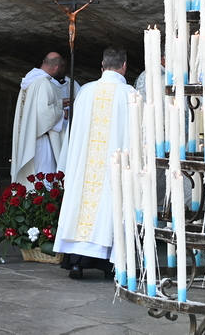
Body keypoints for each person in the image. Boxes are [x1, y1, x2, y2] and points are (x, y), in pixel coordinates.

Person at [53, 47, 133, 280]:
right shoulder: (128, 94)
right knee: (109, 209)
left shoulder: (86, 91)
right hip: (113, 166)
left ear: (102, 66)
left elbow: (74, 132)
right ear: (124, 66)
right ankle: (107, 264)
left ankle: (76, 262)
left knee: (80, 204)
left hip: (84, 166)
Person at [10, 53, 66, 185]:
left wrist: (60, 102)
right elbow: (44, 113)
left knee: (31, 178)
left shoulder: (30, 80)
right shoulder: (44, 83)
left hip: (28, 136)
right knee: (44, 177)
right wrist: (62, 113)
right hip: (40, 139)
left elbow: (34, 107)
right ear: (57, 67)